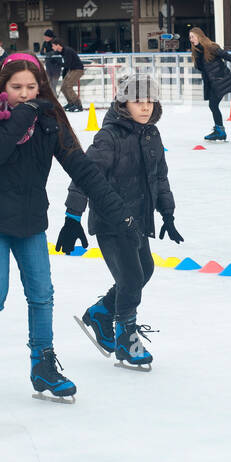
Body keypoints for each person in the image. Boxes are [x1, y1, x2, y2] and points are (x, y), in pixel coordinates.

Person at [0, 53, 137, 403]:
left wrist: (117, 212)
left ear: (42, 86)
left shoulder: (49, 120)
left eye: (32, 87)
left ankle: (42, 365)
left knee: (42, 294)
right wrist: (21, 116)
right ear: (3, 85)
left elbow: (83, 168)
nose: (25, 94)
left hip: (29, 217)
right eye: (17, 88)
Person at [61, 70, 177, 369]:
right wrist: (73, 214)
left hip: (137, 219)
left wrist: (167, 212)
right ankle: (127, 338)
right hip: (110, 220)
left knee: (145, 270)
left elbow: (159, 176)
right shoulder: (109, 136)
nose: (145, 106)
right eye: (138, 100)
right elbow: (85, 174)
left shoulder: (151, 134)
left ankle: (102, 312)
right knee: (131, 278)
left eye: (149, 100)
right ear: (124, 103)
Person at [189, 26, 231, 141]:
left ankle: (220, 131)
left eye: (192, 37)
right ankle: (219, 130)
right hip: (211, 83)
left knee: (213, 105)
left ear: (199, 36)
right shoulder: (197, 50)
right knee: (213, 105)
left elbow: (227, 56)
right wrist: (197, 52)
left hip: (220, 81)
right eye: (190, 37)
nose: (191, 39)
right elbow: (199, 67)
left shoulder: (211, 47)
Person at [51, 37, 86, 111]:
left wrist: (57, 63)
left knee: (68, 86)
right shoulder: (61, 51)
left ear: (58, 45)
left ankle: (78, 105)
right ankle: (71, 103)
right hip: (72, 69)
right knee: (63, 87)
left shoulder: (67, 51)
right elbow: (67, 66)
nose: (52, 47)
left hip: (77, 69)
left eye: (53, 45)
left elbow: (67, 64)